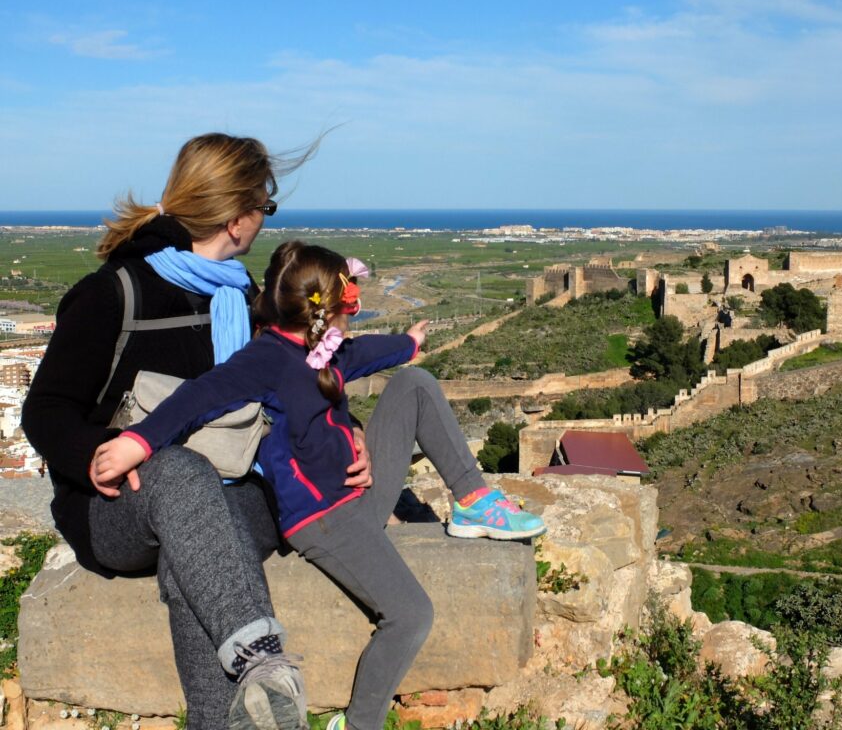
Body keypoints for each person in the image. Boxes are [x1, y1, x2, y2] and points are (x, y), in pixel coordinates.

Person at [91, 241, 546, 730]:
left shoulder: (325, 347)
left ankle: (474, 499)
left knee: (414, 382)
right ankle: (361, 723)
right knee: (411, 614)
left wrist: (410, 343)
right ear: (328, 312)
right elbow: (201, 396)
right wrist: (138, 441)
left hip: (356, 494)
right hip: (324, 520)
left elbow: (367, 352)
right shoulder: (266, 359)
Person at [22, 133, 333, 730]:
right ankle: (264, 665)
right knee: (181, 473)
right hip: (118, 506)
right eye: (265, 208)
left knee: (194, 557)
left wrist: (346, 440)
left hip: (233, 492)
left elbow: (288, 387)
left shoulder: (241, 295)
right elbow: (46, 411)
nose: (263, 224)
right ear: (239, 218)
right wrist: (95, 454)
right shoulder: (114, 294)